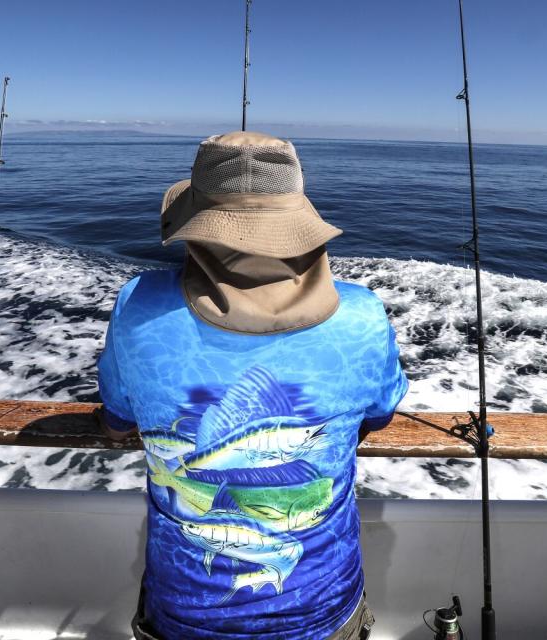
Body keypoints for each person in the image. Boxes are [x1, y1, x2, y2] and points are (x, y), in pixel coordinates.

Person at [97, 131, 408, 640]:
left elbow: (117, 418)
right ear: (299, 224)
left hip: (183, 615)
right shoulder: (362, 315)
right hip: (325, 611)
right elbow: (378, 415)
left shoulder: (138, 305)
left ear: (196, 226)